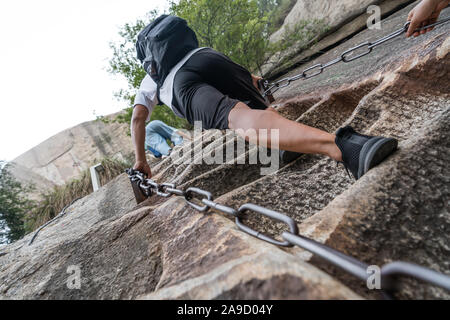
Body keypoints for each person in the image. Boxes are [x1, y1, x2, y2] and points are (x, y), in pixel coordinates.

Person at [131, 0, 445, 179]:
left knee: (238, 119)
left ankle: (343, 147)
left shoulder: (153, 80)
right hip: (209, 57)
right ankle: (286, 141)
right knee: (257, 110)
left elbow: (137, 119)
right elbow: (253, 81)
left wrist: (141, 159)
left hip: (182, 83)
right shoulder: (193, 49)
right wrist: (258, 88)